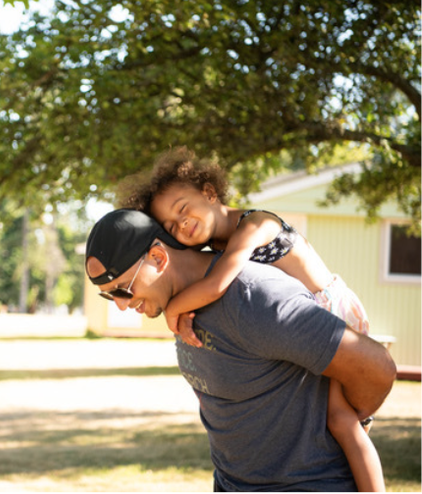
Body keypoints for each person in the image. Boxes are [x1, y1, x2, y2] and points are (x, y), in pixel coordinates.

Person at [118, 149, 384, 491]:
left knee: (342, 422)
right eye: (170, 226)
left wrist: (174, 310)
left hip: (332, 311)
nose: (180, 223)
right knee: (332, 422)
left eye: (183, 209)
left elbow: (217, 283)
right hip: (300, 325)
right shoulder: (214, 246)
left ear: (210, 193)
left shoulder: (256, 224)